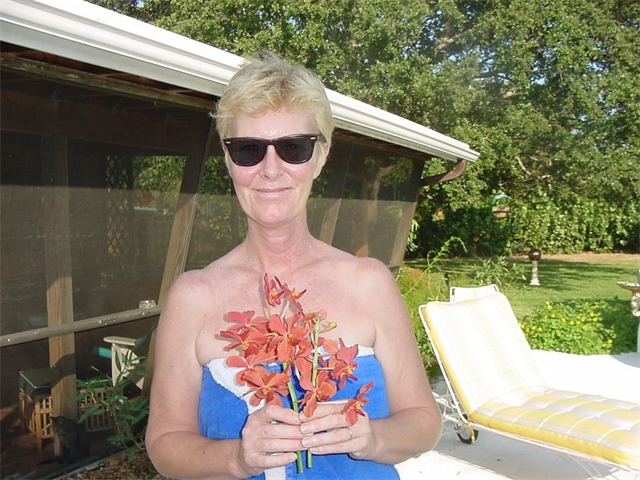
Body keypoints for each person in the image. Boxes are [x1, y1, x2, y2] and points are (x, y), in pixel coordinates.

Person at [146, 52, 442, 480]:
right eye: (248, 149)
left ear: (320, 156)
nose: (270, 170)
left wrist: (373, 439)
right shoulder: (194, 295)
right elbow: (165, 444)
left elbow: (424, 422)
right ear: (228, 160)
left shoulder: (369, 282)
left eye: (293, 148)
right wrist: (237, 459)